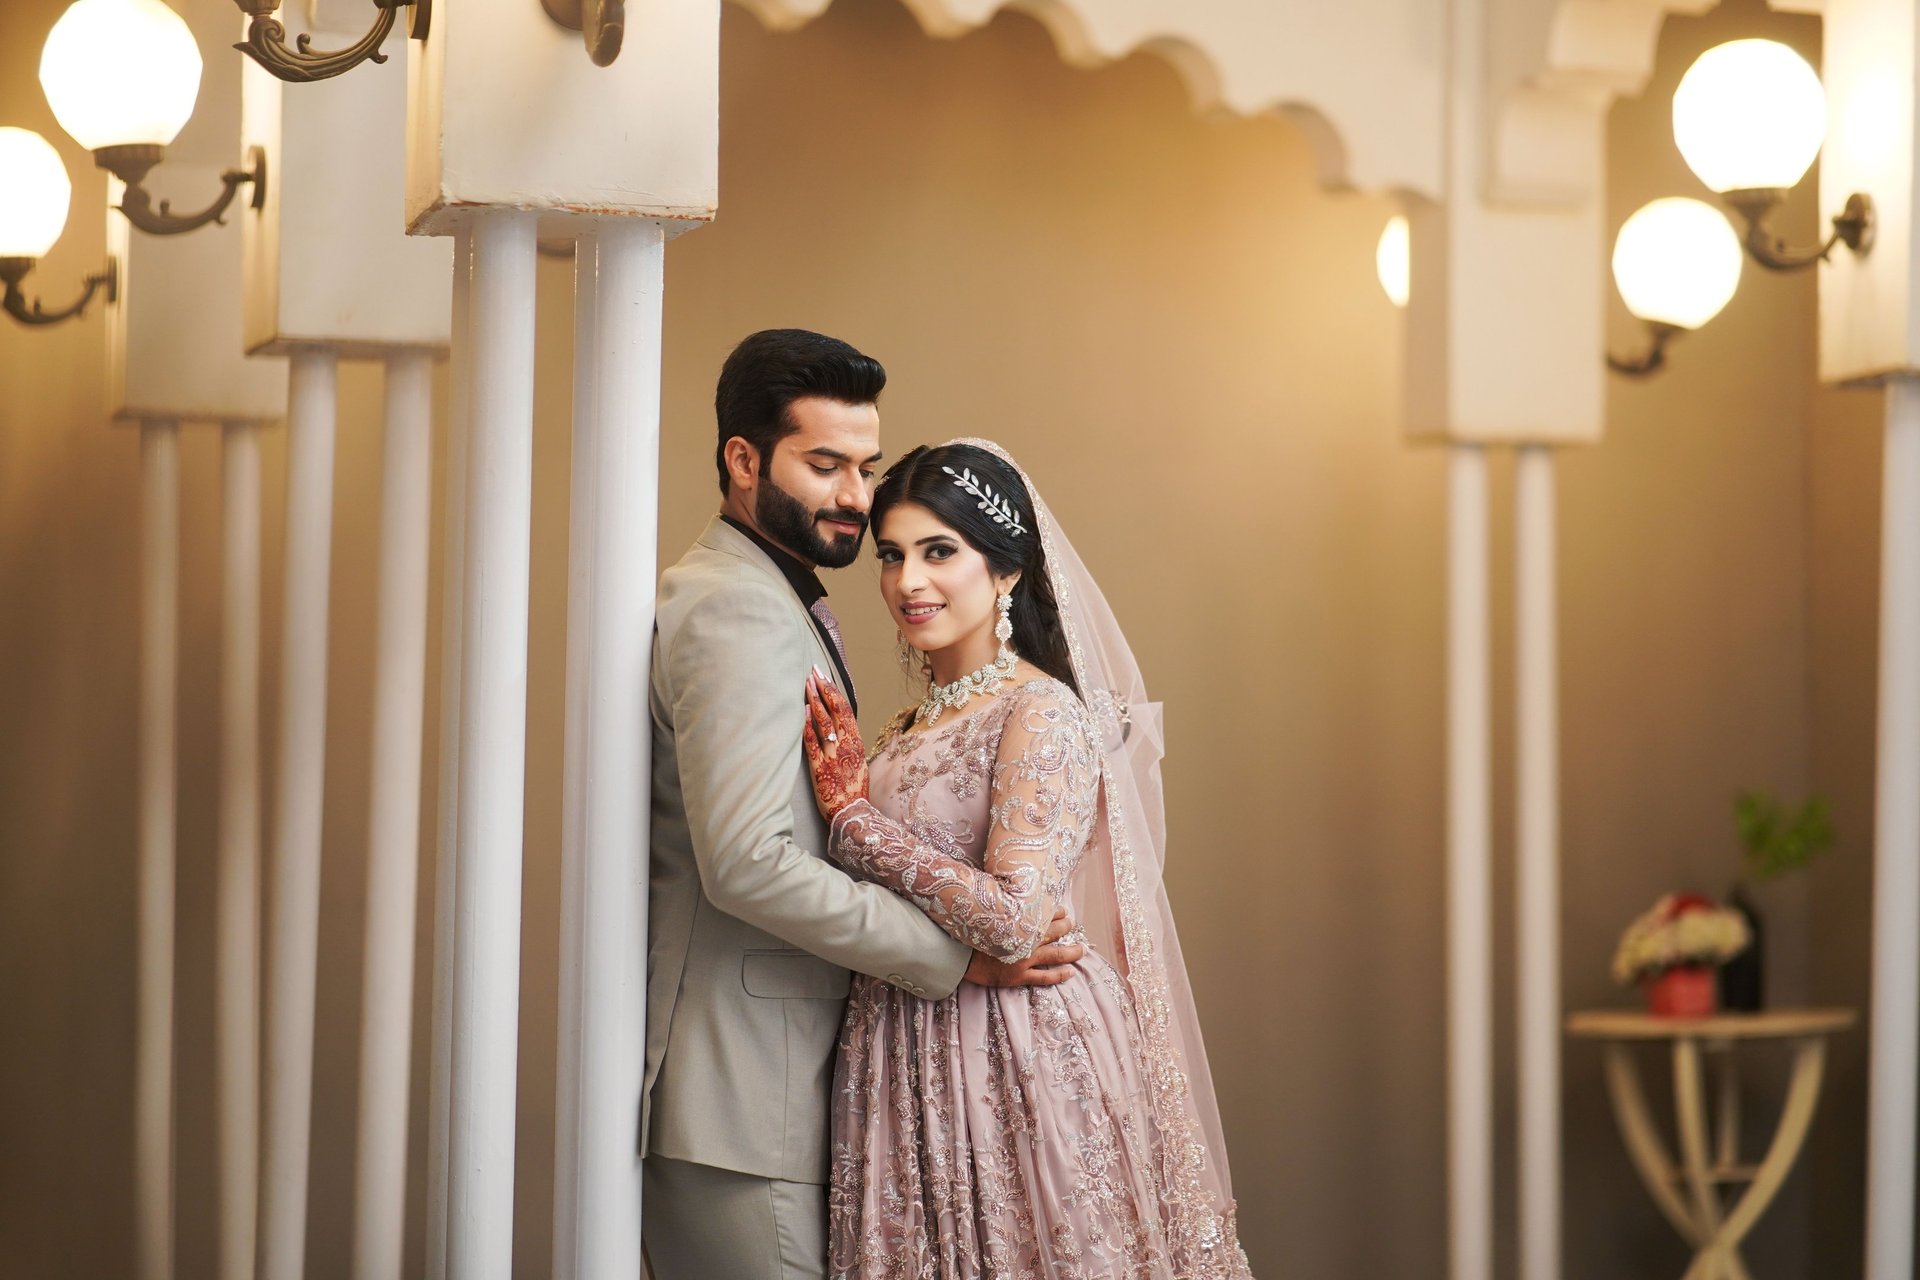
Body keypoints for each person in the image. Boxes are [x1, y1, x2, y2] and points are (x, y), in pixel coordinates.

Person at [641, 333, 1086, 1280]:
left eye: (865, 466)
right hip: (744, 1098)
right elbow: (749, 862)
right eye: (824, 465)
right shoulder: (737, 607)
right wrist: (955, 961)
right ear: (744, 460)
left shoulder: (774, 597)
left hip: (816, 1093)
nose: (854, 494)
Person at [801, 439, 1253, 1279]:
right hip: (904, 1046)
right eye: (892, 555)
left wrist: (855, 823)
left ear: (1005, 571)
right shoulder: (904, 727)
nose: (909, 581)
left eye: (940, 552)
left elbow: (1014, 918)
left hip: (1016, 1051)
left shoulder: (1040, 711)